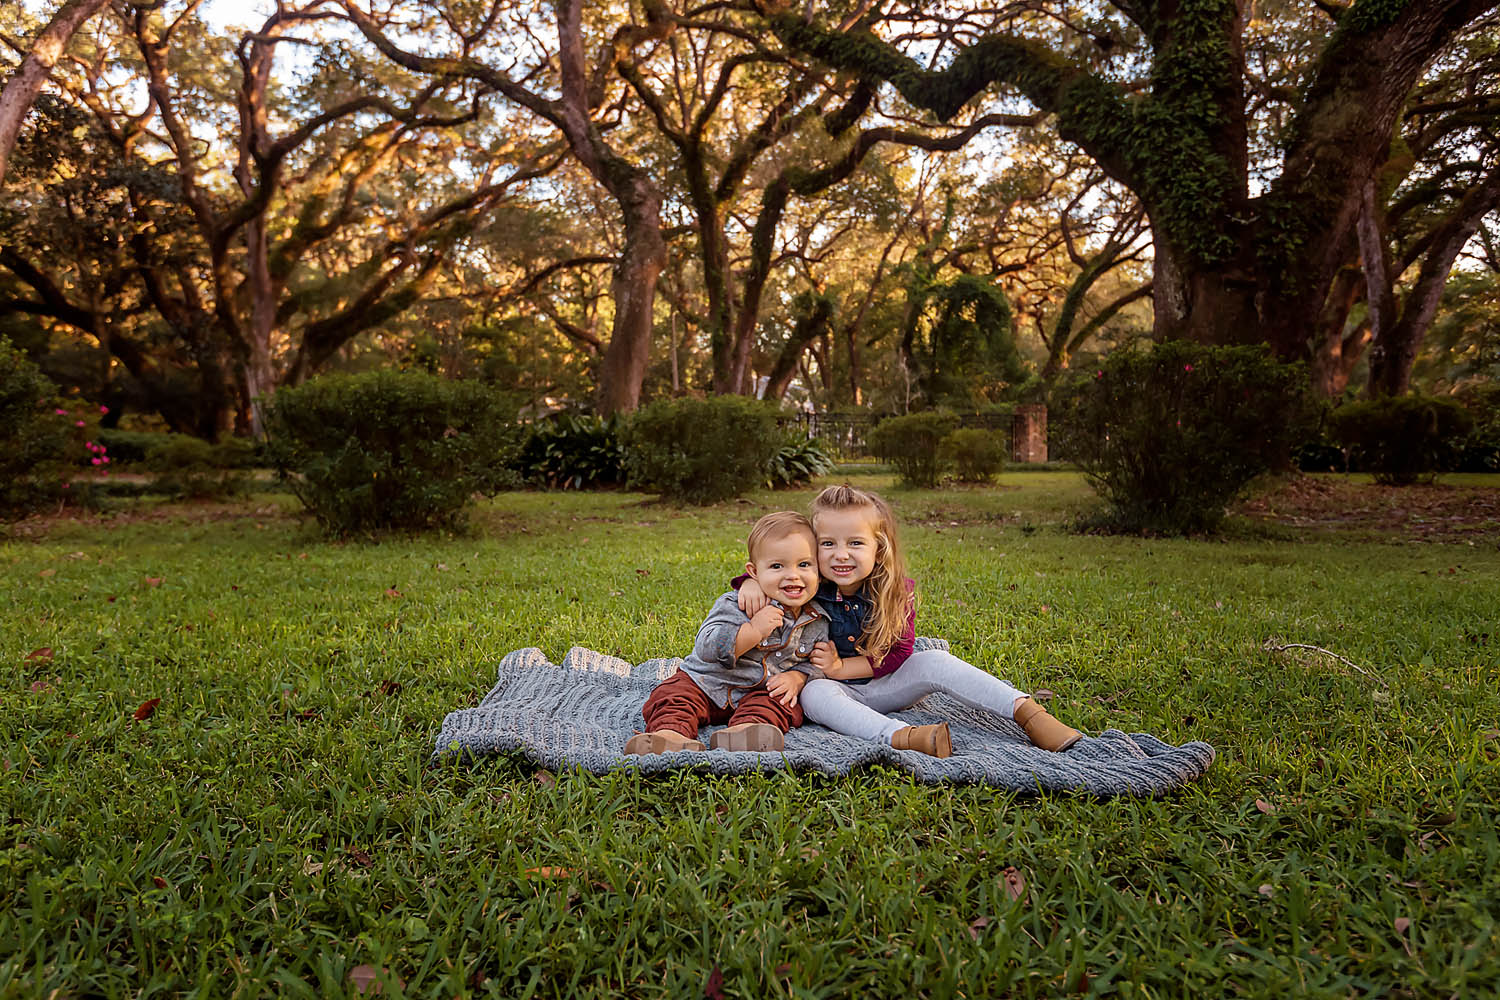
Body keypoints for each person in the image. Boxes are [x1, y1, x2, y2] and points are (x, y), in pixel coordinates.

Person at [736, 484, 1082, 758]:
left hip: (885, 683)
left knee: (932, 659)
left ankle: (1028, 714)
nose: (841, 554)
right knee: (814, 694)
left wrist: (841, 666)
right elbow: (778, 568)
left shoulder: (894, 592)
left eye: (855, 543)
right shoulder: (811, 582)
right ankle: (902, 736)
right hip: (832, 689)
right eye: (827, 544)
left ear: (878, 548)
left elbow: (898, 654)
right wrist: (748, 581)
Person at [624, 511, 831, 756]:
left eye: (804, 564)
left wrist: (799, 678)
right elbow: (706, 646)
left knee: (783, 703)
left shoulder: (818, 620)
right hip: (708, 683)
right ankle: (670, 734)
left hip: (760, 692)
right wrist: (752, 631)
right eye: (777, 566)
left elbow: (817, 664)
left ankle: (747, 730)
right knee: (674, 694)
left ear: (819, 570)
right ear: (753, 572)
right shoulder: (738, 603)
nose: (793, 575)